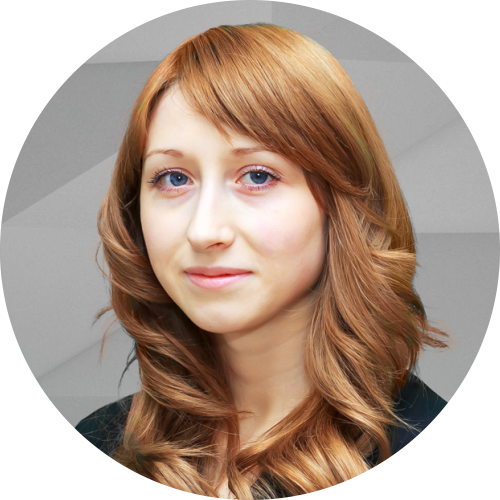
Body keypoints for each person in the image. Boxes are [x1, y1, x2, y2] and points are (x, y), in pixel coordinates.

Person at [75, 23, 448, 499]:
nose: (204, 230)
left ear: (341, 203)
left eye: (257, 176)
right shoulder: (98, 444)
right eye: (173, 178)